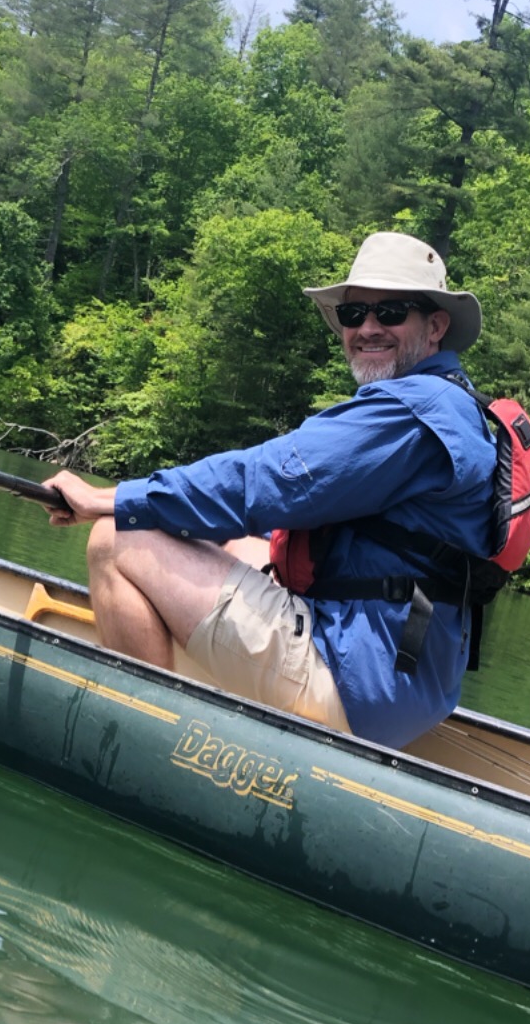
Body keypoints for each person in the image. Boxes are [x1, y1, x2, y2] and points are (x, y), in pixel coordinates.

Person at [45, 232, 497, 749]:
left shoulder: (413, 414)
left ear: (435, 325)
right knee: (221, 542)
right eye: (354, 316)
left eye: (391, 312)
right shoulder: (455, 405)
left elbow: (262, 482)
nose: (368, 328)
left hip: (359, 682)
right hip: (409, 678)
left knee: (114, 538)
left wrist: (112, 499)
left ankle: (144, 742)